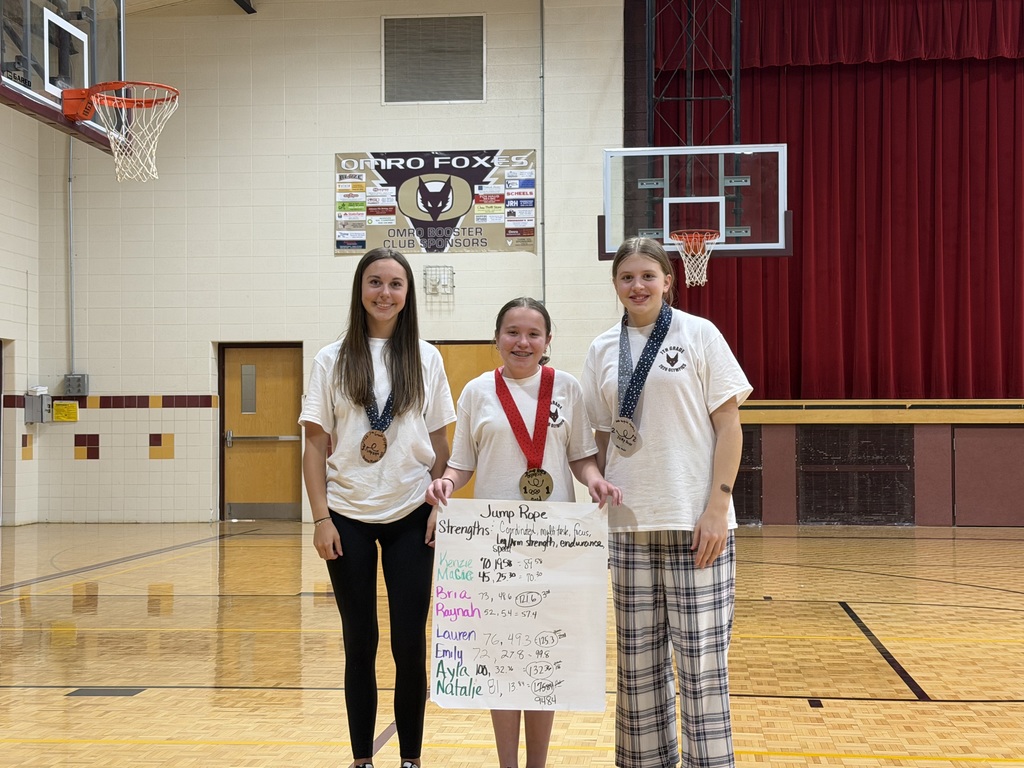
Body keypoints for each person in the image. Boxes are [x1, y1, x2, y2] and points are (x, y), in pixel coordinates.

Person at [426, 297, 622, 768]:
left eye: (533, 334)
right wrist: (445, 484)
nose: (522, 342)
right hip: (494, 547)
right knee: (501, 661)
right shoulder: (476, 391)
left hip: (555, 548)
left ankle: (537, 764)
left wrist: (593, 479)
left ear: (548, 342)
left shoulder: (567, 388)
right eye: (512, 332)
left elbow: (579, 456)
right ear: (497, 338)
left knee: (542, 661)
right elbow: (462, 464)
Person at [581, 237, 752, 768]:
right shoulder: (602, 348)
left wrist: (717, 507)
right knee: (637, 667)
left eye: (648, 276)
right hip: (628, 527)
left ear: (668, 280)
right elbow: (604, 438)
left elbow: (730, 427)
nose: (638, 286)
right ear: (615, 284)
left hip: (695, 521)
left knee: (701, 663)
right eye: (627, 277)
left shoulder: (700, 334)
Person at [299, 247, 456, 768]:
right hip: (347, 516)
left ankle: (410, 758)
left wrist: (438, 503)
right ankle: (362, 759)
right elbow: (315, 446)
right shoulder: (331, 358)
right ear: (359, 290)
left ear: (408, 294)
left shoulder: (426, 357)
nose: (384, 293)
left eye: (395, 284)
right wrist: (321, 518)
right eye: (375, 282)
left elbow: (440, 442)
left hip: (412, 513)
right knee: (358, 642)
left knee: (410, 643)